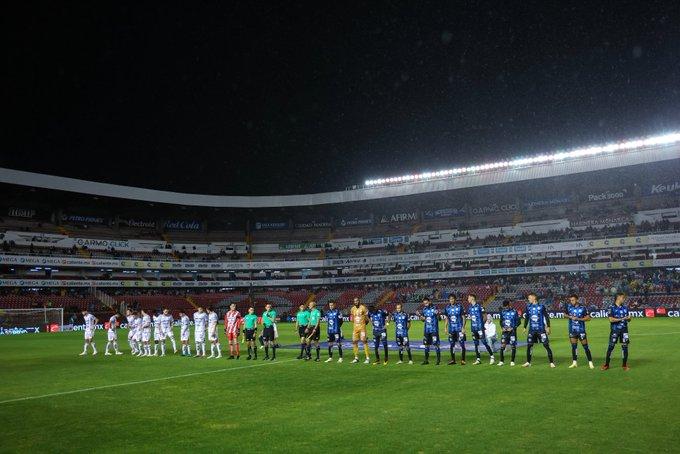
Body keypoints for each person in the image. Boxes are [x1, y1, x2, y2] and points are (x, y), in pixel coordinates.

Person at [522, 293, 555, 368]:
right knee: (529, 346)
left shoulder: (541, 307)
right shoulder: (528, 307)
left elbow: (546, 316)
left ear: (534, 298)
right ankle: (528, 362)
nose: (528, 299)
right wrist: (524, 327)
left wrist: (548, 327)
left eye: (529, 298)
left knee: (546, 345)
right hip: (532, 330)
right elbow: (527, 317)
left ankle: (551, 362)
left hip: (541, 330)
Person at [602, 292, 631, 371]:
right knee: (611, 347)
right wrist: (623, 318)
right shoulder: (611, 307)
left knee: (625, 347)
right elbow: (611, 320)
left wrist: (628, 318)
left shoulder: (625, 307)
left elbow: (629, 319)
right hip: (615, 330)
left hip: (624, 330)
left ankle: (624, 365)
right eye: (623, 297)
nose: (624, 299)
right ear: (618, 297)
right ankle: (606, 365)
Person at [565, 294, 594, 369]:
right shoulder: (569, 307)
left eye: (573, 300)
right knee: (574, 347)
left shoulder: (583, 308)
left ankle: (590, 362)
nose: (571, 302)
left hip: (581, 330)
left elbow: (588, 318)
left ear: (577, 300)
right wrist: (570, 316)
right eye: (570, 300)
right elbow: (564, 314)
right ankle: (574, 363)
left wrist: (578, 319)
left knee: (585, 347)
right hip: (572, 330)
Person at [467, 295, 495, 365]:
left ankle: (492, 357)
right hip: (473, 328)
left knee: (484, 342)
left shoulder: (479, 306)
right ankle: (478, 359)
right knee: (476, 344)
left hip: (480, 328)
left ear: (472, 298)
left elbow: (485, 316)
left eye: (469, 298)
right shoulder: (470, 308)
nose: (468, 299)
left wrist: (482, 325)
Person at [443, 295, 466, 365]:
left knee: (462, 344)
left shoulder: (459, 306)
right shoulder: (447, 308)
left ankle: (463, 360)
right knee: (452, 345)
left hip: (459, 329)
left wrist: (463, 327)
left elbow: (463, 317)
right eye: (450, 299)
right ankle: (453, 360)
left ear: (455, 299)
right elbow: (447, 318)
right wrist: (445, 327)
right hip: (451, 330)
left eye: (452, 299)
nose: (451, 300)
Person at [498, 300, 520, 366]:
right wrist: (502, 327)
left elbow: (518, 322)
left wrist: (513, 328)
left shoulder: (514, 312)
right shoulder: (502, 312)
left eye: (506, 306)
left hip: (512, 332)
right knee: (502, 346)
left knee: (513, 346)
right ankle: (501, 361)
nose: (505, 308)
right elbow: (501, 321)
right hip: (504, 332)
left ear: (509, 305)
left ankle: (512, 361)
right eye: (504, 307)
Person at [350, 297, 371, 364]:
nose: (356, 302)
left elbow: (367, 318)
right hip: (355, 328)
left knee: (364, 341)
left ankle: (367, 358)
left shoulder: (363, 308)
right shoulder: (352, 309)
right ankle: (356, 358)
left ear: (359, 301)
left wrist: (364, 325)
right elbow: (352, 318)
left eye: (357, 301)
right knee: (354, 342)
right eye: (355, 301)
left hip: (362, 328)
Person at [421, 297, 441, 365]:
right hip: (427, 330)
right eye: (424, 303)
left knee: (436, 345)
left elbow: (440, 319)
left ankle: (438, 360)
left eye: (426, 303)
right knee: (426, 345)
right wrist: (421, 317)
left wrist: (438, 314)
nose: (425, 304)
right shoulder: (424, 309)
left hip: (434, 330)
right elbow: (423, 320)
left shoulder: (435, 308)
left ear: (429, 302)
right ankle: (426, 360)